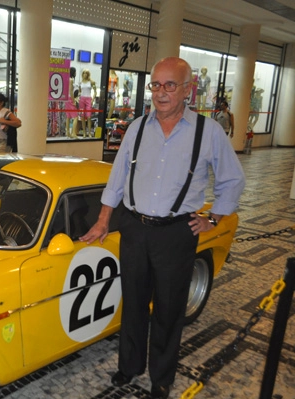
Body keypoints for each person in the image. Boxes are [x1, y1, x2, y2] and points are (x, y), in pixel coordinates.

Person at [79, 57, 245, 399]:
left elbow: (232, 179)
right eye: (156, 85)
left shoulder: (207, 131)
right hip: (135, 228)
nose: (161, 92)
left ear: (187, 90)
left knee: (169, 309)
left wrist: (214, 217)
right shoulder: (138, 127)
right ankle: (130, 366)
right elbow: (118, 176)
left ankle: (162, 377)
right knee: (135, 302)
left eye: (170, 85)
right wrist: (103, 219)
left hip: (176, 233)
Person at [78, 69, 97, 137]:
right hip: (82, 100)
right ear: (82, 74)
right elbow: (79, 92)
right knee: (82, 117)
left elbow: (95, 91)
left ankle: (89, 132)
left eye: (86, 73)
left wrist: (93, 99)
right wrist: (78, 97)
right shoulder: (80, 83)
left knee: (89, 116)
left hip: (89, 99)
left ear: (88, 74)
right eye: (84, 73)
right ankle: (84, 132)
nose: (85, 74)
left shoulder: (91, 82)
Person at [65, 67, 79, 139]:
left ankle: (68, 132)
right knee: (75, 116)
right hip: (70, 98)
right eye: (75, 72)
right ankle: (73, 133)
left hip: (66, 99)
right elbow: (71, 91)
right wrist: (73, 101)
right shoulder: (71, 80)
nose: (76, 73)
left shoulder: (67, 79)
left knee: (68, 116)